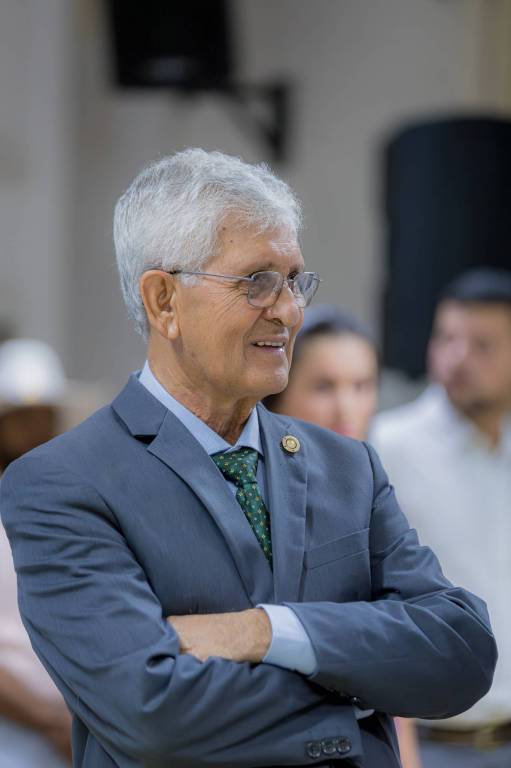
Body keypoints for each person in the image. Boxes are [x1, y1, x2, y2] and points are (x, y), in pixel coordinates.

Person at [0, 150, 497, 768]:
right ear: (163, 301)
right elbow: (152, 712)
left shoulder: (348, 467)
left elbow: (462, 651)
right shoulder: (62, 482)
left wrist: (264, 631)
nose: (288, 310)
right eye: (256, 281)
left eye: (294, 280)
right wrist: (359, 701)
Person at [265, 304, 421, 768]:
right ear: (279, 391)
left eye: (361, 385)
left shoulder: (373, 492)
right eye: (323, 386)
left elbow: (399, 639)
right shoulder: (250, 491)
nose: (346, 408)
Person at [372, 268, 511, 767]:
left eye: (482, 345)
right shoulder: (386, 446)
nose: (458, 358)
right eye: (447, 338)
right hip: (429, 745)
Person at [0, 339, 72, 767]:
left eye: (45, 416)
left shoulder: (68, 506)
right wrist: (50, 721)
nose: (35, 429)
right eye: (22, 417)